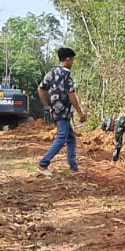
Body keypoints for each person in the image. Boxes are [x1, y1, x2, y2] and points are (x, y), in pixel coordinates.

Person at [36, 47, 87, 176]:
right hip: (63, 112)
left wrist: (46, 106)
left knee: (71, 138)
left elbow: (40, 89)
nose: (73, 63)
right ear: (68, 59)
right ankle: (43, 164)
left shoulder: (51, 72)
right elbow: (71, 95)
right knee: (61, 138)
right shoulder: (66, 74)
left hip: (56, 111)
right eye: (73, 60)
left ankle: (73, 167)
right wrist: (80, 113)